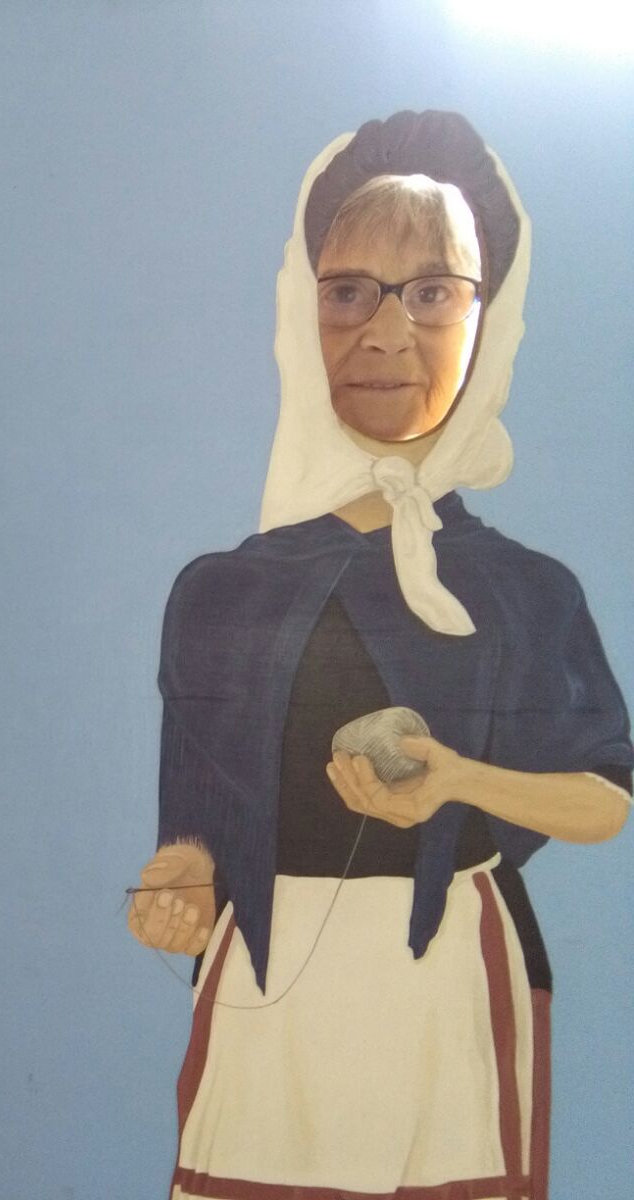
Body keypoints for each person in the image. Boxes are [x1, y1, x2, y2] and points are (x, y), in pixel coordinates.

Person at [128, 110, 632, 1199]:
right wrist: (177, 884)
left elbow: (604, 802)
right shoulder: (221, 593)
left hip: (448, 989)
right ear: (299, 310)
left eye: (432, 293)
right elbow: (196, 836)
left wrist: (458, 781)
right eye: (349, 291)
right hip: (269, 992)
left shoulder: (526, 589)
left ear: (489, 320)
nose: (386, 335)